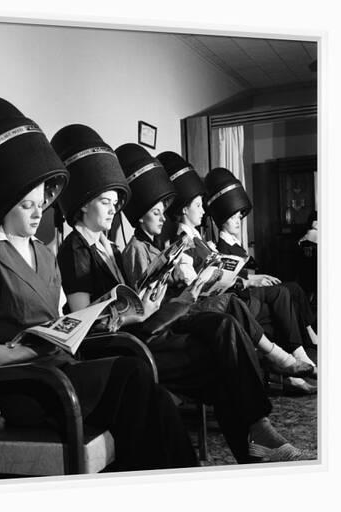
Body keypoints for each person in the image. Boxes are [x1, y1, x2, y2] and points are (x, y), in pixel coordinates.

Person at [0, 96, 198, 472]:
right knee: (133, 377)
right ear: (3, 204)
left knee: (157, 399)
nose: (37, 214)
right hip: (32, 387)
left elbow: (64, 318)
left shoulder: (46, 256)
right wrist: (29, 353)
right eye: (26, 206)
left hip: (65, 369)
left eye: (40, 204)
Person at [52, 128, 310, 463]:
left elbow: (128, 299)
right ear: (83, 205)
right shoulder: (75, 250)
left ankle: (257, 441)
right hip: (125, 345)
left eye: (116, 204)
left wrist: (156, 295)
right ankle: (257, 440)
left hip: (144, 329)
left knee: (223, 333)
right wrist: (134, 312)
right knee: (221, 351)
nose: (113, 210)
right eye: (105, 203)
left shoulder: (109, 248)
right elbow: (83, 322)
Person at [157, 152, 315, 385]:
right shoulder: (183, 241)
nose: (203, 211)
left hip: (227, 292)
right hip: (213, 300)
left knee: (280, 293)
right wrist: (227, 277)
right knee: (274, 296)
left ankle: (293, 362)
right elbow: (194, 283)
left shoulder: (198, 239)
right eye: (199, 206)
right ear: (184, 210)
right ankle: (289, 364)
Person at [204, 167, 318, 394]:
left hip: (244, 290)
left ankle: (298, 356)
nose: (239, 221)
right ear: (223, 219)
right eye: (234, 217)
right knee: (284, 292)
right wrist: (251, 278)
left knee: (288, 290)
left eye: (239, 217)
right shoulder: (219, 246)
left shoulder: (233, 243)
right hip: (237, 296)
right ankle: (297, 357)